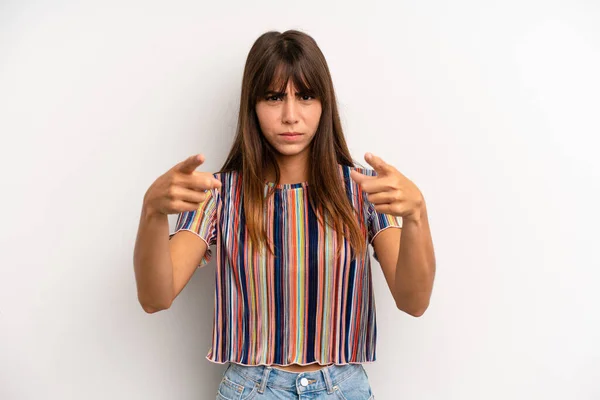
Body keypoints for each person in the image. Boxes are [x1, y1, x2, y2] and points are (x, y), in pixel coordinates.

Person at [134, 29, 435, 399]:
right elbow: (155, 297)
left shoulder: (362, 189)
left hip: (343, 388)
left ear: (324, 104)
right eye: (274, 97)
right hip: (252, 388)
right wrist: (152, 212)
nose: (291, 115)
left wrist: (417, 215)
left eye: (305, 96)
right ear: (253, 106)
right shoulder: (218, 194)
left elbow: (414, 301)